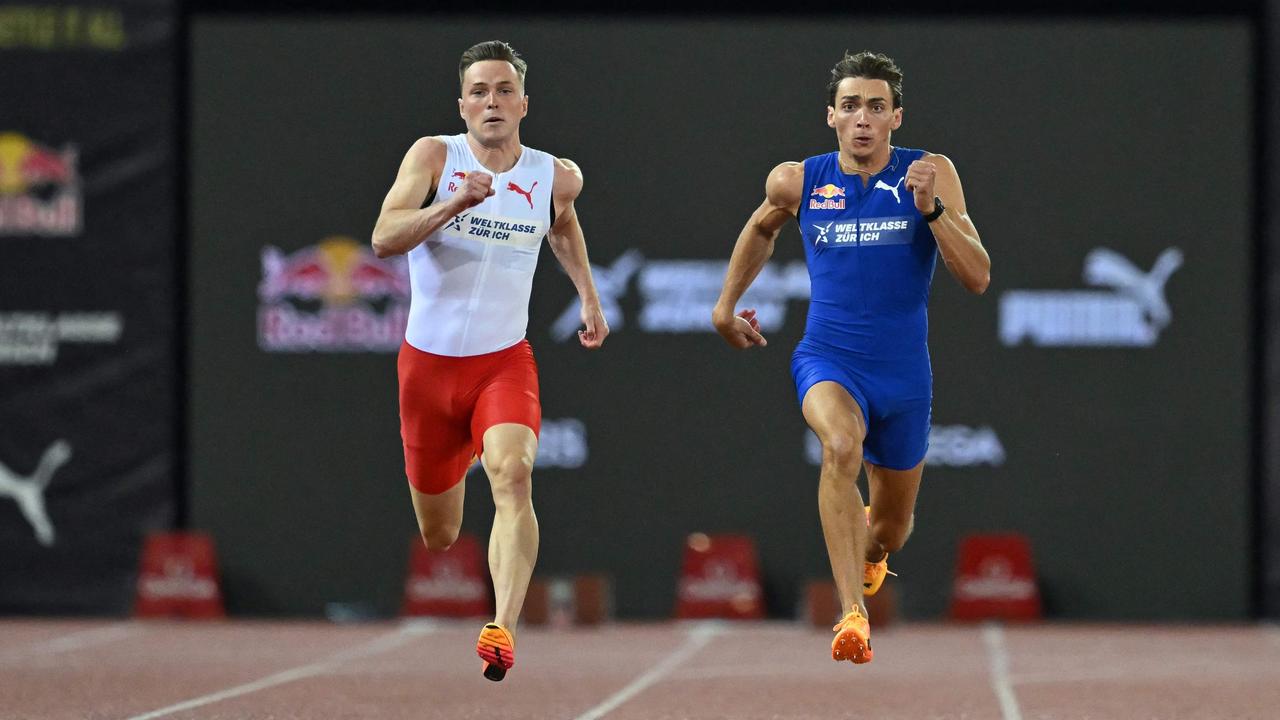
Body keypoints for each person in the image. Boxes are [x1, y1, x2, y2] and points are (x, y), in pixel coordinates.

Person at [712, 51, 989, 665]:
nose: (862, 118)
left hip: (903, 377)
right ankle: (852, 615)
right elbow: (762, 228)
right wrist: (725, 306)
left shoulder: (929, 172)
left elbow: (978, 277)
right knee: (840, 447)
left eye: (876, 107)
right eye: (850, 107)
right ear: (831, 117)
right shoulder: (798, 180)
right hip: (828, 359)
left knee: (892, 529)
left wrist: (934, 213)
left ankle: (871, 554)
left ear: (896, 117)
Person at [371, 40, 608, 681]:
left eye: (504, 90)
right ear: (462, 104)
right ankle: (460, 470)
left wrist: (588, 294)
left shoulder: (553, 174)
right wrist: (451, 205)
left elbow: (562, 223)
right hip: (427, 371)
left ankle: (502, 625)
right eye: (479, 91)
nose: (492, 102)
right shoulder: (433, 156)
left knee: (513, 473)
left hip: (502, 364)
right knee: (441, 535)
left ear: (524, 103)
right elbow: (384, 236)